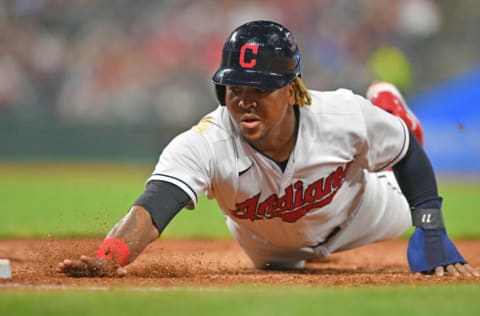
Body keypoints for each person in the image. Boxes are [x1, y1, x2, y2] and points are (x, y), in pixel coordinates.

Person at [57, 20, 478, 278]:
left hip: (363, 213)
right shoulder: (206, 142)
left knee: (401, 145)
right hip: (269, 249)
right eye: (235, 87)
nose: (244, 99)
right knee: (278, 268)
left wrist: (430, 226)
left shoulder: (342, 116)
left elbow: (406, 155)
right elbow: (152, 207)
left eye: (260, 88)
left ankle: (394, 115)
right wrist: (109, 257)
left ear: (293, 90)